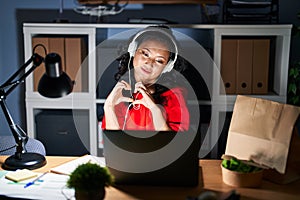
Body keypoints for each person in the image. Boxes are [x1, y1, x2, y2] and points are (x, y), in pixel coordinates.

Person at [102, 25, 190, 131]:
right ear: (133, 50)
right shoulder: (120, 94)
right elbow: (113, 143)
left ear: (167, 67)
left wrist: (155, 110)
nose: (149, 63)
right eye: (145, 53)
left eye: (159, 60)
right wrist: (109, 107)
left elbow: (177, 145)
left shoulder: (175, 96)